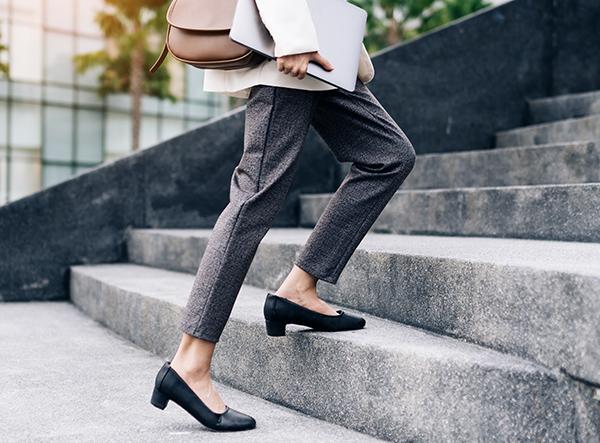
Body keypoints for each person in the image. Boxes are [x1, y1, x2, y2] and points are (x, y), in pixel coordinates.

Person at [150, 0, 416, 432]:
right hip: (287, 51)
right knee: (253, 199)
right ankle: (190, 362)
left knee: (387, 155)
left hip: (323, 52)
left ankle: (298, 289)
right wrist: (292, 37)